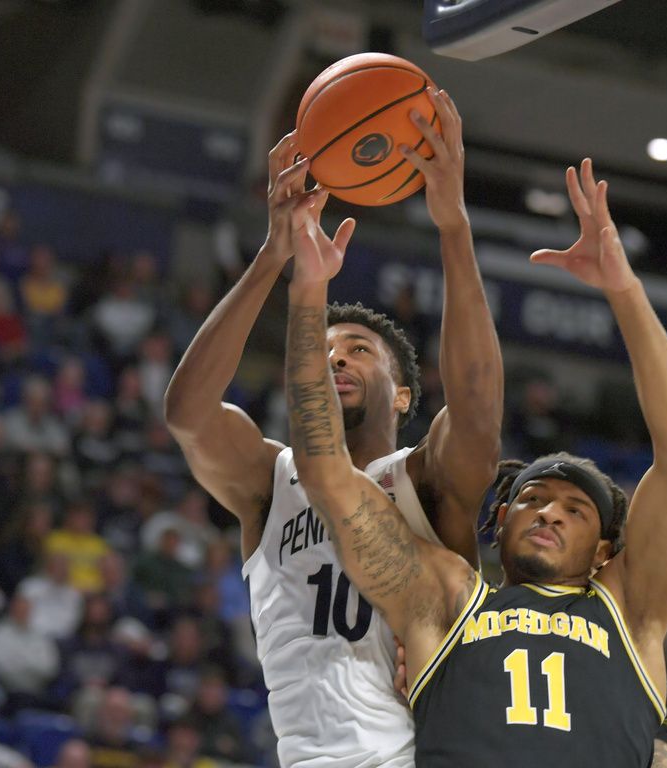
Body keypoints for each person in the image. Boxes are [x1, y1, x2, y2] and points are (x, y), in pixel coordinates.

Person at [285, 158, 667, 766]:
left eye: (575, 509)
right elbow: (326, 473)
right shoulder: (448, 595)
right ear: (501, 517)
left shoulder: (629, 609)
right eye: (533, 499)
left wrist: (625, 289)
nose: (549, 512)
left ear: (604, 552)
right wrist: (306, 294)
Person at [164, 87, 503, 768]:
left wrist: (453, 227)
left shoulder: (426, 479)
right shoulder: (272, 479)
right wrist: (273, 255)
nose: (336, 357)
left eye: (358, 351)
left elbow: (474, 406)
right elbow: (188, 414)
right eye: (322, 350)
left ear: (404, 395)